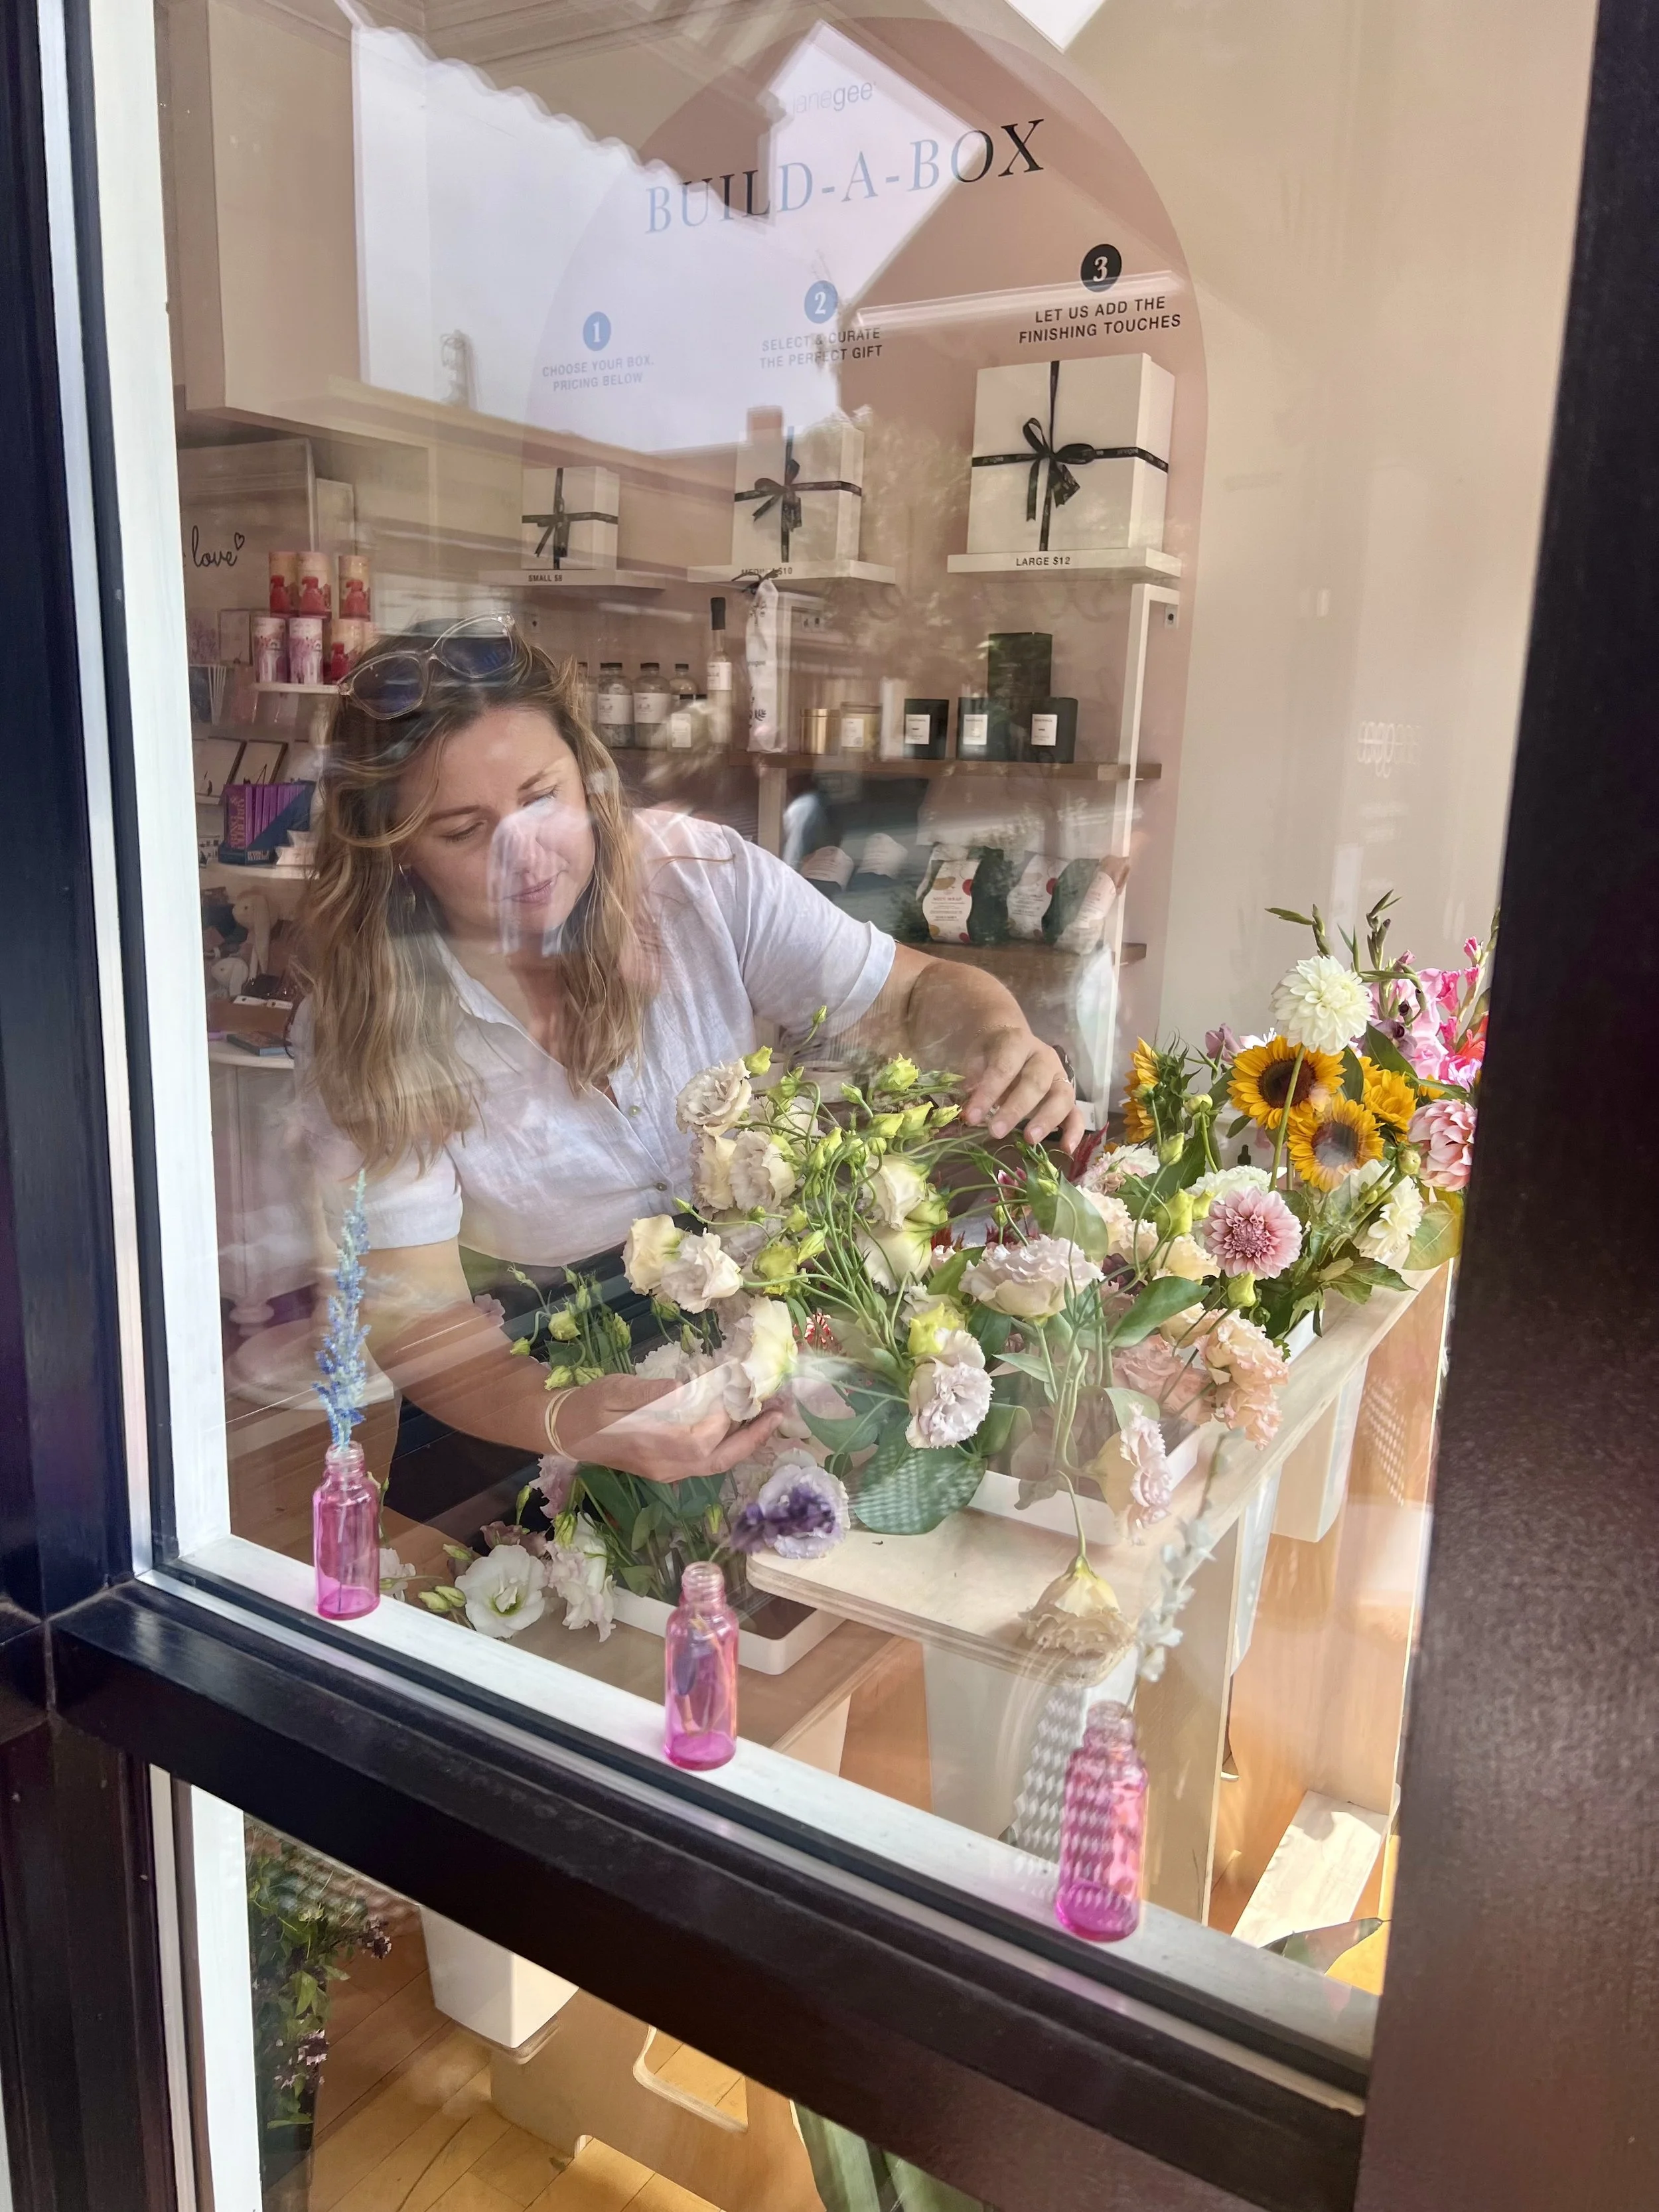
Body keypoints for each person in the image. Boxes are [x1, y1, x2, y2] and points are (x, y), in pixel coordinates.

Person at [295, 617, 1082, 1485]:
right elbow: (421, 1322)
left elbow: (912, 997)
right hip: (519, 1429)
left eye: (541, 797)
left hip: (751, 1377)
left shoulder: (696, 878)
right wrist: (561, 1416)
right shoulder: (368, 1024)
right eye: (463, 831)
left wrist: (999, 1037)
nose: (526, 854)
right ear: (395, 852)